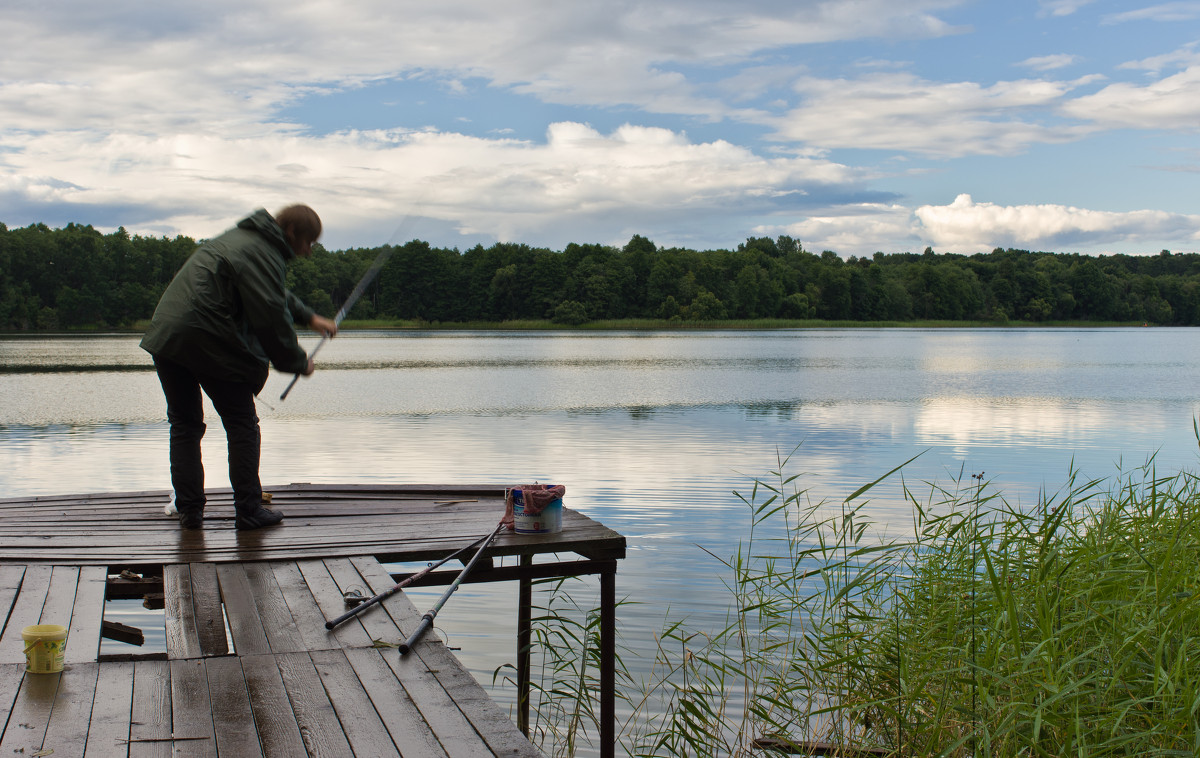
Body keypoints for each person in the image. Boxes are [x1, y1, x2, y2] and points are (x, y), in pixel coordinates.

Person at [140, 205, 337, 530]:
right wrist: (299, 362)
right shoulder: (263, 252)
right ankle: (248, 511)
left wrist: (309, 317)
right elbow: (271, 315)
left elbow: (271, 292)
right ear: (291, 233)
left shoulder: (242, 239)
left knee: (185, 426)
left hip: (167, 336)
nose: (309, 251)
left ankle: (190, 513)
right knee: (242, 424)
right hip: (205, 338)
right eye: (309, 242)